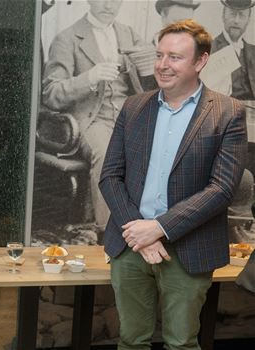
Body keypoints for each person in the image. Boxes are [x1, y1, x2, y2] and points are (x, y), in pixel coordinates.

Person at [99, 19, 247, 349]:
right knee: (130, 340)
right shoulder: (134, 107)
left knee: (181, 343)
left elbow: (221, 189)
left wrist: (160, 228)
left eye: (175, 57)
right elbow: (109, 176)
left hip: (188, 250)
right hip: (131, 246)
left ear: (201, 61)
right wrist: (140, 232)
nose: (163, 65)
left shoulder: (227, 113)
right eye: (160, 55)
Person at [42, 0, 150, 236]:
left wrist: (149, 61)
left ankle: (151, 229)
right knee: (109, 154)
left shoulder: (129, 35)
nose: (108, 5)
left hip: (130, 116)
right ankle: (109, 235)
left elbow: (152, 73)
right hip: (92, 120)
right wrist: (89, 77)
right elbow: (51, 94)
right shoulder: (67, 38)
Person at [211, 0, 255, 99]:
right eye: (232, 14)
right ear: (223, 16)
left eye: (242, 15)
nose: (236, 21)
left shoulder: (253, 52)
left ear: (248, 20)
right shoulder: (209, 49)